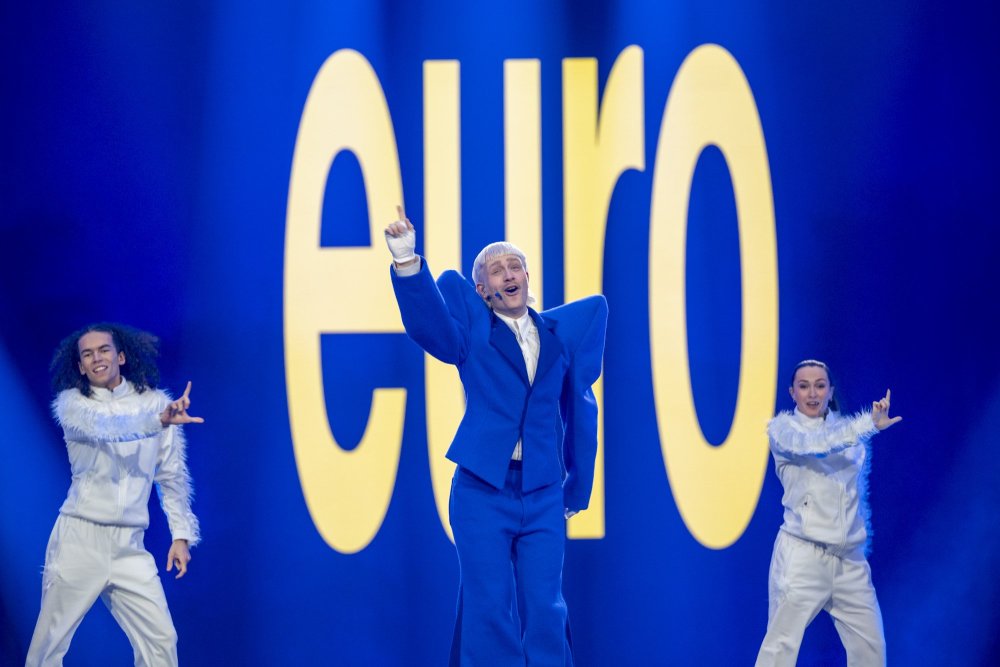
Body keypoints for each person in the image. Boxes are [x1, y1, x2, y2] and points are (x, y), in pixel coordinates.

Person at [385, 206, 607, 666]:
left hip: (542, 491)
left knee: (546, 609)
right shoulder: (474, 337)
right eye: (495, 270)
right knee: (489, 609)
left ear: (527, 276)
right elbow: (434, 330)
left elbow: (581, 411)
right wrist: (407, 261)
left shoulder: (559, 338)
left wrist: (577, 487)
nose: (508, 274)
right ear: (483, 291)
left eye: (514, 266)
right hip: (483, 489)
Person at [26, 323, 203, 667]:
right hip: (81, 539)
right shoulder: (74, 406)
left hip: (130, 547)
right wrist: (159, 422)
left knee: (161, 641)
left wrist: (181, 534)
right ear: (80, 366)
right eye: (87, 354)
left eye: (104, 350)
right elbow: (112, 430)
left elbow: (171, 473)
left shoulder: (156, 404)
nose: (96, 358)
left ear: (120, 356)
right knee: (50, 644)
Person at [755, 359, 902, 666]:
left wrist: (856, 543)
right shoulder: (784, 431)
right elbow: (817, 446)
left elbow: (854, 494)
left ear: (830, 390)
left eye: (819, 385)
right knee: (779, 650)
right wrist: (868, 425)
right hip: (803, 556)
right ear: (792, 392)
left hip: (849, 561)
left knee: (871, 651)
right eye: (804, 386)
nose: (812, 393)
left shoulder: (848, 436)